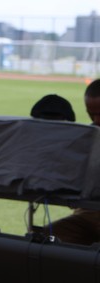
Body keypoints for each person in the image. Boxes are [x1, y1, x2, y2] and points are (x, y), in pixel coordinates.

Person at [47, 80, 100, 245]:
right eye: (91, 114)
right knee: (41, 238)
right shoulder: (86, 137)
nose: (96, 120)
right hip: (86, 213)